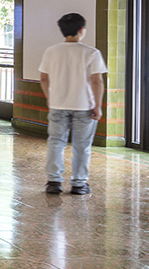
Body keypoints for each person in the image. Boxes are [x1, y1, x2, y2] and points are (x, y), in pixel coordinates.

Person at [38, 12, 107, 196]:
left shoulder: (51, 51)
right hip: (84, 106)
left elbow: (44, 78)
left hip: (58, 104)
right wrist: (97, 106)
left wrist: (50, 98)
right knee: (82, 146)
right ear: (81, 30)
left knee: (55, 143)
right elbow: (97, 81)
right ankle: (79, 184)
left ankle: (54, 182)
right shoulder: (91, 53)